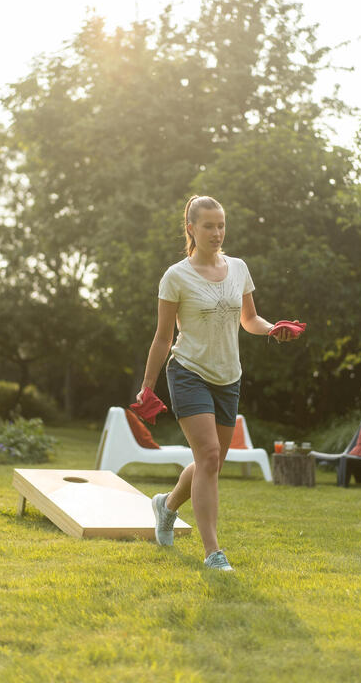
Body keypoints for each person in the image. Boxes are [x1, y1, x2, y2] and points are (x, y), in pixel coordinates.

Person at [135, 195, 302, 572]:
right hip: (188, 370)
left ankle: (165, 506)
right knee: (209, 456)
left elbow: (249, 318)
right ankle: (213, 553)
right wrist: (148, 385)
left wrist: (272, 329)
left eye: (221, 225)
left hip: (229, 375)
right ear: (191, 229)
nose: (217, 232)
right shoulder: (175, 276)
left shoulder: (239, 268)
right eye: (208, 225)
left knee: (212, 463)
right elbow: (163, 337)